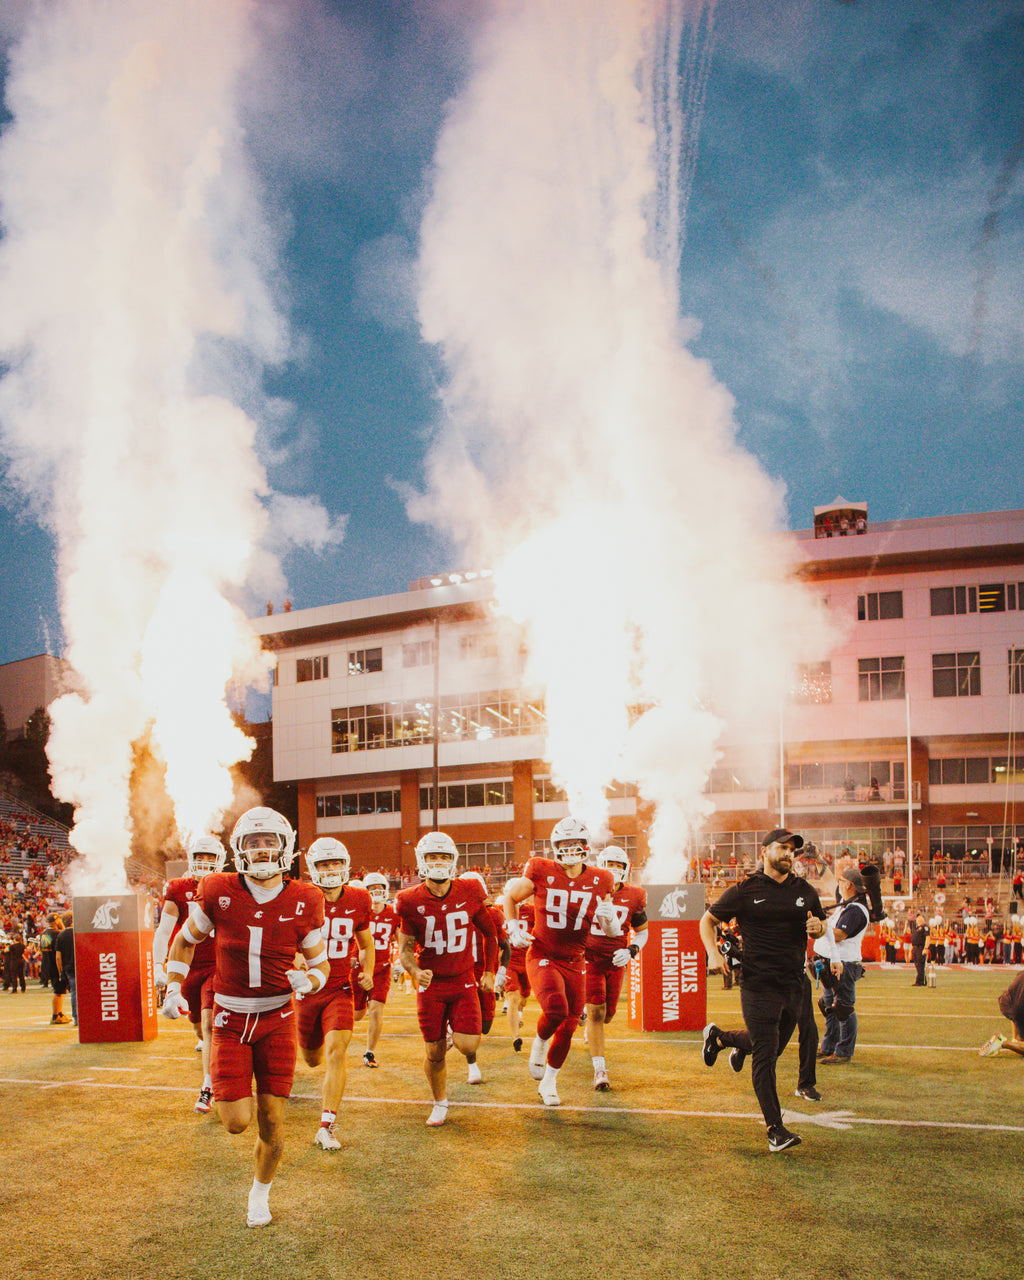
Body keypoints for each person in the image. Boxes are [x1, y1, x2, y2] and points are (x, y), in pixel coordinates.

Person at [162, 806, 328, 1229]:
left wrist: (307, 982)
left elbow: (321, 965)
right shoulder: (217, 888)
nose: (261, 849)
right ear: (239, 848)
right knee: (237, 1122)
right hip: (230, 1018)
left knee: (273, 1118)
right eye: (253, 842)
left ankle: (260, 1192)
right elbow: (184, 942)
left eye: (268, 841)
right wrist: (172, 987)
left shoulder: (306, 898)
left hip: (277, 1016)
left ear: (285, 846)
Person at [699, 828, 827, 1153]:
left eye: (792, 850)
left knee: (771, 1047)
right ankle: (775, 1130)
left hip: (794, 984)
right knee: (766, 1055)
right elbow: (707, 921)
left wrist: (820, 927)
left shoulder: (805, 891)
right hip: (758, 983)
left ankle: (721, 1037)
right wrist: (713, 954)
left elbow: (821, 923)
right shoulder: (745, 890)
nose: (788, 853)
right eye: (782, 848)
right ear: (764, 852)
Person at [502, 817, 617, 1107]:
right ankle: (539, 1043)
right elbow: (510, 896)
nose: (569, 849)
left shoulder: (601, 879)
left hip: (576, 960)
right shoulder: (541, 869)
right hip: (543, 954)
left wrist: (611, 920)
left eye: (574, 843)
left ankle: (550, 1082)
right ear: (555, 847)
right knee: (555, 1008)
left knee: (567, 1027)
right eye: (563, 844)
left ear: (585, 845)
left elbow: (611, 924)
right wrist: (513, 926)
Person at [395, 832, 497, 1127]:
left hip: (463, 978)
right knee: (433, 1052)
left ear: (453, 861)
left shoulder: (468, 890)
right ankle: (440, 1102)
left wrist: (489, 970)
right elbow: (404, 948)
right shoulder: (409, 900)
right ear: (421, 862)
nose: (438, 862)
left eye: (443, 857)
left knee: (468, 1045)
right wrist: (414, 972)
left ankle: (453, 1033)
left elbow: (490, 934)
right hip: (432, 984)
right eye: (432, 857)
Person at [298, 837, 374, 1152]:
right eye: (324, 864)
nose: (330, 870)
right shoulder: (298, 897)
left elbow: (366, 943)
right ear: (312, 869)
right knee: (313, 1058)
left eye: (335, 863)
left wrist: (367, 971)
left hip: (340, 988)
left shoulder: (359, 897)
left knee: (336, 1053)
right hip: (307, 990)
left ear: (345, 865)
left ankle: (326, 1125)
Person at [153, 834, 226, 1113]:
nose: (205, 863)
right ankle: (201, 1042)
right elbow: (163, 931)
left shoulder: (227, 886)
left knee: (209, 1025)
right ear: (191, 859)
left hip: (217, 966)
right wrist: (158, 966)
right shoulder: (178, 888)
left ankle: (208, 1087)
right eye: (200, 857)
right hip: (187, 966)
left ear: (220, 861)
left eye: (210, 858)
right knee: (197, 1025)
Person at [583, 846, 647, 1091]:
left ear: (626, 868)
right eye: (609, 864)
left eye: (618, 865)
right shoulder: (589, 890)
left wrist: (631, 950)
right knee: (597, 1012)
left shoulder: (635, 895)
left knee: (607, 1015)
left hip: (616, 960)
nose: (614, 869)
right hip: (590, 959)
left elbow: (643, 931)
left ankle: (587, 1019)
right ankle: (600, 1069)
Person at [813, 866, 870, 1065]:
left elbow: (839, 935)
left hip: (844, 964)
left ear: (849, 885)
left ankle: (844, 1051)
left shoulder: (856, 910)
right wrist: (819, 861)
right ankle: (829, 1046)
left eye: (841, 880)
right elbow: (830, 882)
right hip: (831, 964)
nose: (838, 883)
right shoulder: (848, 903)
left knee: (843, 1008)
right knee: (829, 1006)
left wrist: (819, 928)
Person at [460, 870, 509, 1084]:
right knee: (470, 1024)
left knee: (486, 1026)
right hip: (461, 971)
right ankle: (472, 1065)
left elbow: (504, 946)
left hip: (484, 971)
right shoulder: (452, 912)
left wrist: (501, 971)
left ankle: (456, 1029)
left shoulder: (493, 914)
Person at [353, 871, 398, 1068]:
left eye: (380, 888)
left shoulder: (393, 913)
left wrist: (400, 960)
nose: (376, 893)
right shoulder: (360, 912)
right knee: (357, 1014)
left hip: (382, 969)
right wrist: (351, 958)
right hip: (359, 970)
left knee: (376, 1010)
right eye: (372, 889)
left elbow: (401, 939)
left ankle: (369, 1052)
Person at [503, 889, 534, 1052]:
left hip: (528, 960)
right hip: (510, 961)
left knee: (524, 997)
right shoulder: (501, 909)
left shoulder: (531, 910)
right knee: (513, 998)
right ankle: (515, 1037)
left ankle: (519, 1016)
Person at [979, 971, 1024, 1057]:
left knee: (1016, 1007)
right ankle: (1002, 1042)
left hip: (1006, 1001)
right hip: (1018, 1009)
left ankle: (1015, 1039)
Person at [54, 917, 77, 1025]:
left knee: (74, 992)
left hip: (68, 968)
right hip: (79, 965)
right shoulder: (78, 932)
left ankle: (76, 1017)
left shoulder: (61, 935)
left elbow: (58, 957)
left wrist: (61, 971)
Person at [910, 912, 928, 986]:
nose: (919, 919)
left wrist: (926, 948)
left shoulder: (925, 927)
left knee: (920, 965)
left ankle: (921, 981)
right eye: (918, 918)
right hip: (915, 948)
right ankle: (921, 980)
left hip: (921, 947)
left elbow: (928, 938)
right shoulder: (916, 928)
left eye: (920, 918)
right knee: (917, 965)